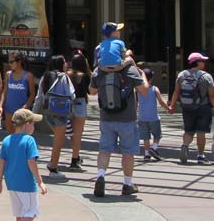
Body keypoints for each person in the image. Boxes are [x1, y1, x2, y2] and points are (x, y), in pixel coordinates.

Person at [88, 55, 151, 196]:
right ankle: (127, 184)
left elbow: (91, 91)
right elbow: (144, 90)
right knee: (128, 152)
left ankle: (101, 176)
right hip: (127, 119)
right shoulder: (130, 70)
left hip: (106, 117)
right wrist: (142, 75)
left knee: (104, 149)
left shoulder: (99, 70)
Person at [0, 109, 47, 221]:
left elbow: (2, 162)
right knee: (32, 211)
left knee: (20, 211)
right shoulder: (29, 140)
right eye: (33, 124)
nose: (34, 127)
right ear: (27, 124)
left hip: (11, 183)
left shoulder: (7, 140)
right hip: (26, 183)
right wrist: (40, 181)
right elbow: (31, 161)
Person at [169, 52, 214, 165]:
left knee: (188, 131)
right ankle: (200, 155)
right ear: (197, 62)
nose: (204, 63)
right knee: (201, 132)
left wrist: (172, 105)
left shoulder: (182, 75)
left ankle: (185, 145)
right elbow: (212, 95)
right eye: (203, 61)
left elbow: (176, 91)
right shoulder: (207, 76)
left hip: (187, 107)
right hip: (203, 107)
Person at [37, 54, 75, 179]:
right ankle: (53, 167)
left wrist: (34, 112)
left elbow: (39, 97)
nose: (66, 64)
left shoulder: (45, 76)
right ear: (60, 64)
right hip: (61, 112)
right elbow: (71, 94)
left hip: (48, 112)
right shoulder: (64, 77)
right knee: (58, 141)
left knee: (57, 139)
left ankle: (53, 164)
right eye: (64, 61)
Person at [137, 67, 170, 162]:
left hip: (142, 117)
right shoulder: (155, 89)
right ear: (151, 78)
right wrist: (168, 108)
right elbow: (161, 101)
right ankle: (154, 148)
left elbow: (135, 103)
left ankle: (146, 154)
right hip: (154, 117)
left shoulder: (138, 90)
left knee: (145, 137)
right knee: (157, 135)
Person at [67, 52, 92, 170]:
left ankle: (76, 156)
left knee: (71, 132)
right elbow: (91, 92)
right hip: (80, 104)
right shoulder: (85, 76)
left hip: (68, 104)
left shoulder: (68, 75)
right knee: (78, 134)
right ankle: (74, 159)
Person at [2, 52, 37, 134]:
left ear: (19, 61)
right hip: (9, 109)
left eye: (11, 62)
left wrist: (25, 107)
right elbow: (5, 91)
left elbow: (32, 94)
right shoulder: (8, 74)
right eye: (8, 62)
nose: (9, 64)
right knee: (10, 135)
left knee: (21, 135)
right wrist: (1, 106)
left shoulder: (28, 76)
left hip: (22, 110)